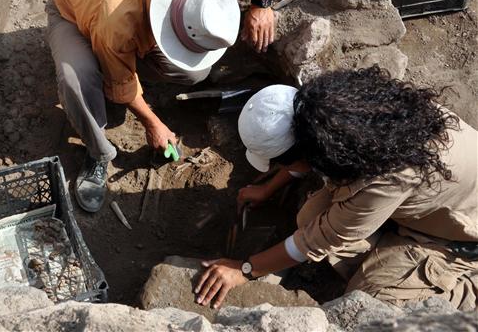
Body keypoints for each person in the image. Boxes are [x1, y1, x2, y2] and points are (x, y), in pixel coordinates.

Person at [45, 0, 293, 212]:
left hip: (126, 5)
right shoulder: (115, 23)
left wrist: (260, 4)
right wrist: (153, 123)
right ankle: (98, 153)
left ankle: (132, 64)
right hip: (72, 10)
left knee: (195, 71)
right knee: (78, 78)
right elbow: (120, 86)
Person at [194, 67, 478, 310]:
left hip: (461, 239)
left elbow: (313, 241)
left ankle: (461, 289)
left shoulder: (383, 181)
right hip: (435, 200)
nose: (277, 168)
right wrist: (269, 188)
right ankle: (385, 244)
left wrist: (245, 269)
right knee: (308, 217)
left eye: (278, 163)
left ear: (310, 153)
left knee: (374, 300)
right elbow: (301, 156)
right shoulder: (342, 112)